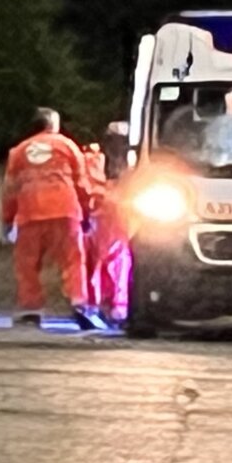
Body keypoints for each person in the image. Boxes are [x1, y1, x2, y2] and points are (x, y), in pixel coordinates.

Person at [3, 108, 103, 330]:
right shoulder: (67, 146)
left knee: (27, 264)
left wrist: (8, 218)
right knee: (73, 261)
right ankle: (79, 304)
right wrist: (88, 211)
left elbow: (10, 189)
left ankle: (30, 309)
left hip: (30, 213)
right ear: (52, 125)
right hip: (64, 211)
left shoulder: (18, 152)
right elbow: (82, 183)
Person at [87, 123, 134, 325]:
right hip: (101, 216)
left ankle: (115, 306)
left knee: (119, 261)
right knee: (98, 262)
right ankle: (98, 305)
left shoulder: (133, 167)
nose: (117, 147)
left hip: (119, 218)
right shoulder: (93, 161)